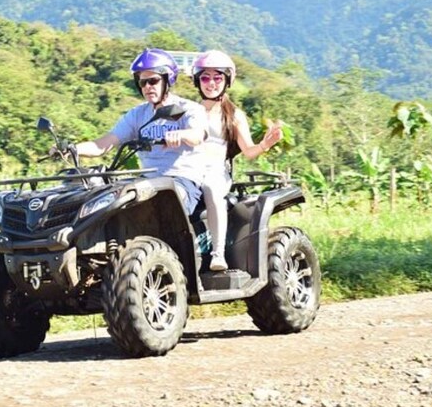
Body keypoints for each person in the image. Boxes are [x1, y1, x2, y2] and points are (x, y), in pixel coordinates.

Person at [58, 48, 208, 214]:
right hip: (146, 181)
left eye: (153, 81)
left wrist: (181, 134)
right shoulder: (138, 114)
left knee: (161, 203)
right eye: (143, 83)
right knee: (106, 202)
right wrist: (72, 149)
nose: (147, 87)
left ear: (168, 79)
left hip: (181, 180)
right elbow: (104, 143)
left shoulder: (189, 109)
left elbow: (197, 135)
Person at [192, 50, 283, 271]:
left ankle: (217, 253)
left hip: (216, 171)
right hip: (189, 169)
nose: (211, 83)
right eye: (205, 77)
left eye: (217, 77)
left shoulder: (233, 115)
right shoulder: (189, 111)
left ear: (227, 81)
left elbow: (249, 151)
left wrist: (265, 144)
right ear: (198, 81)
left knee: (212, 189)